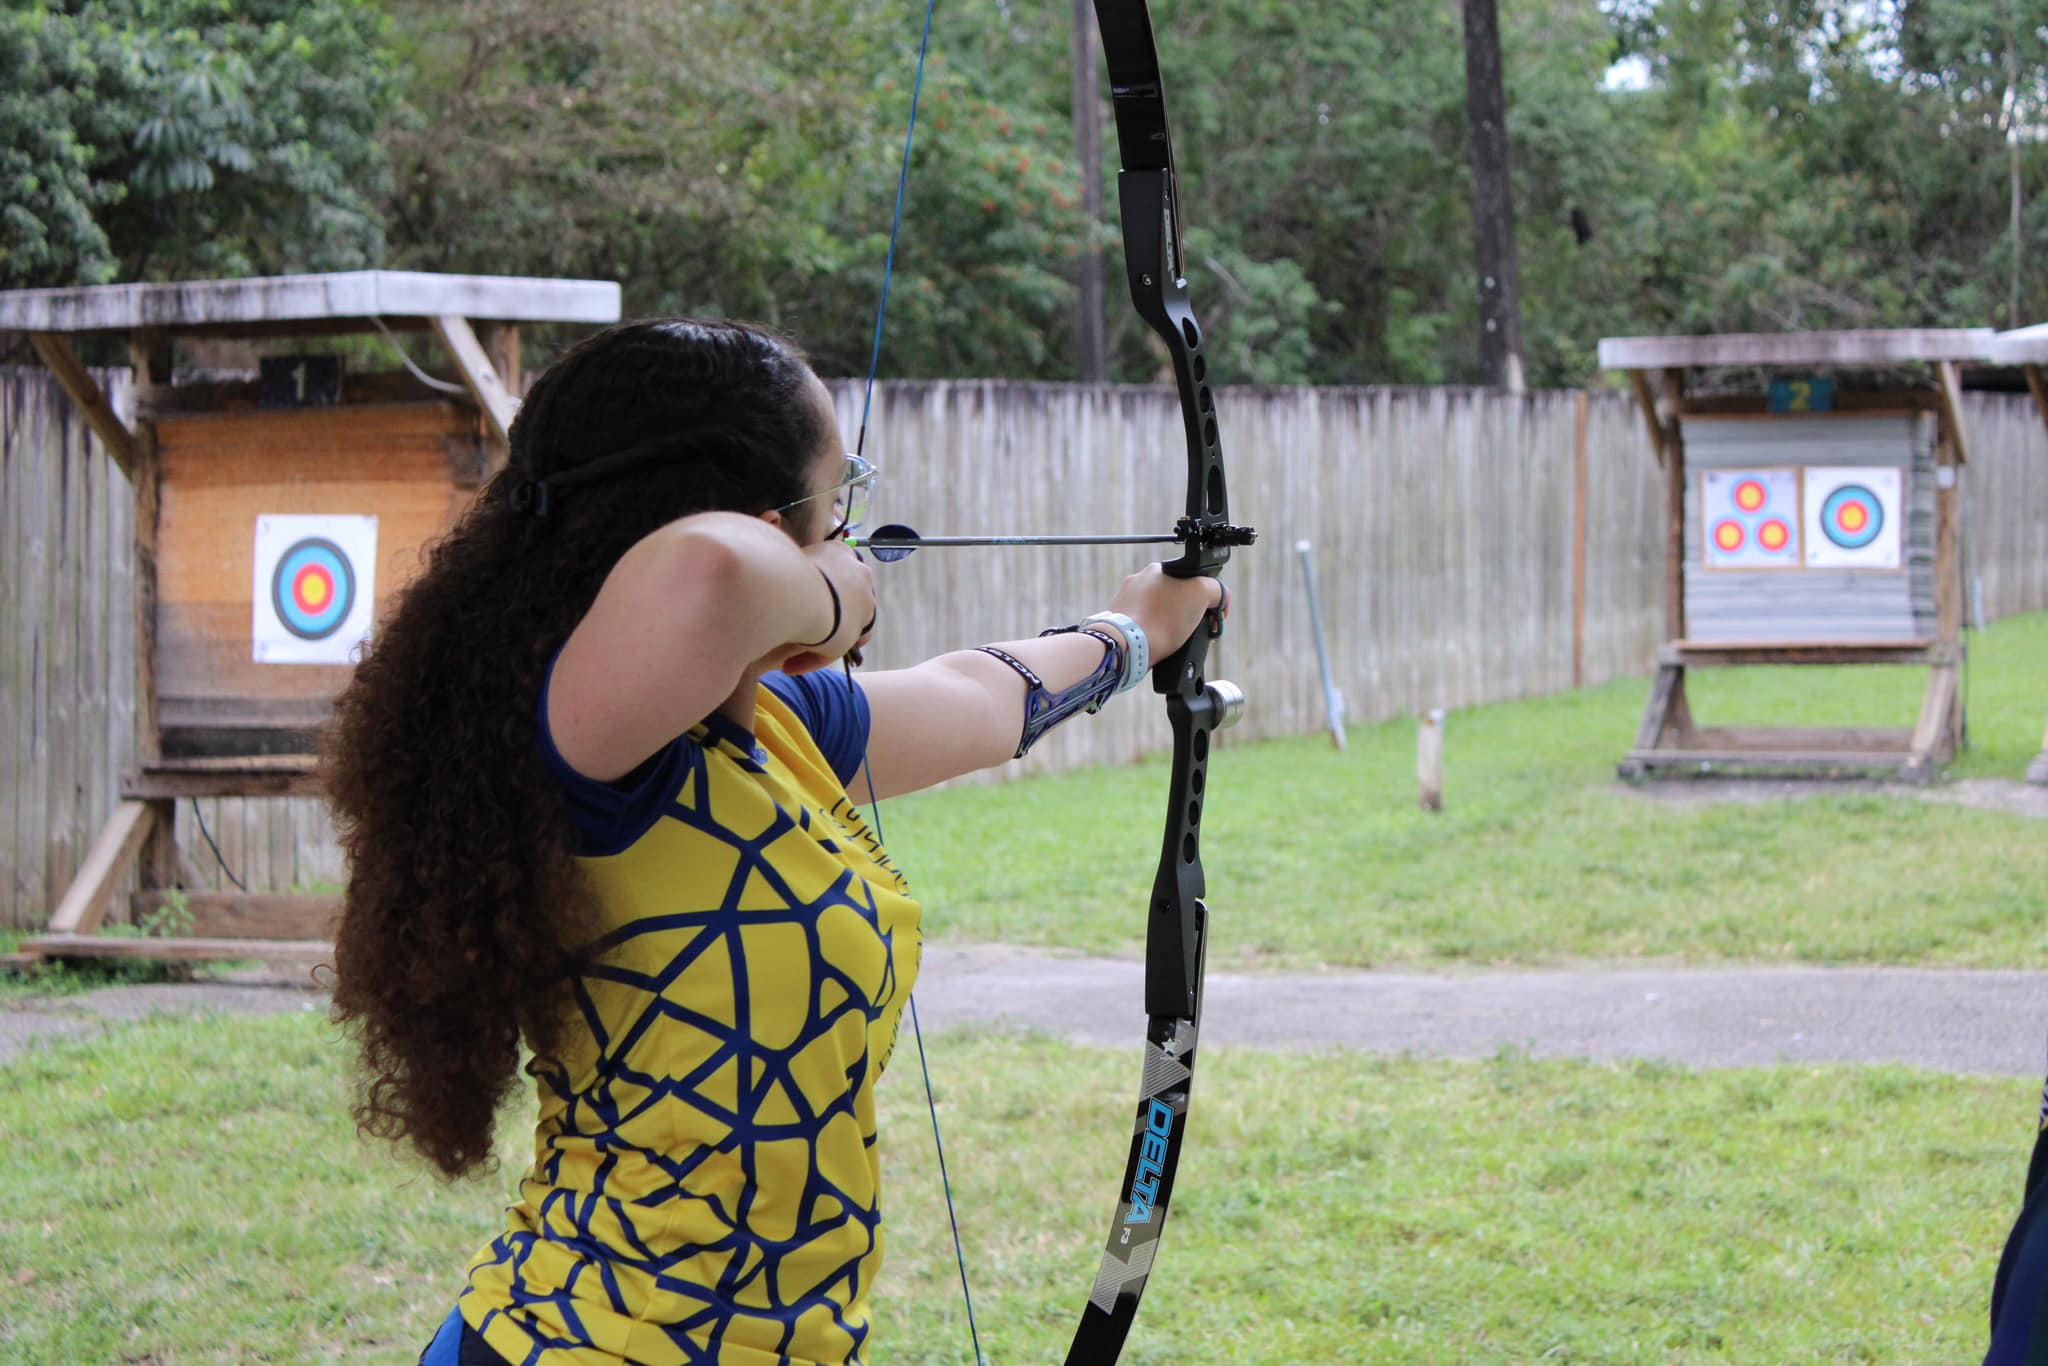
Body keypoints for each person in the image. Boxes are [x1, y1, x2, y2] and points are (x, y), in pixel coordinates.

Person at [321, 318, 1223, 1366]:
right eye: (838, 496)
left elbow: (973, 698)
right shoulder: (592, 749)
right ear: (767, 520)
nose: (851, 526)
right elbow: (707, 572)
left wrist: (1131, 632)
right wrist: (841, 593)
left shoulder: (770, 730)